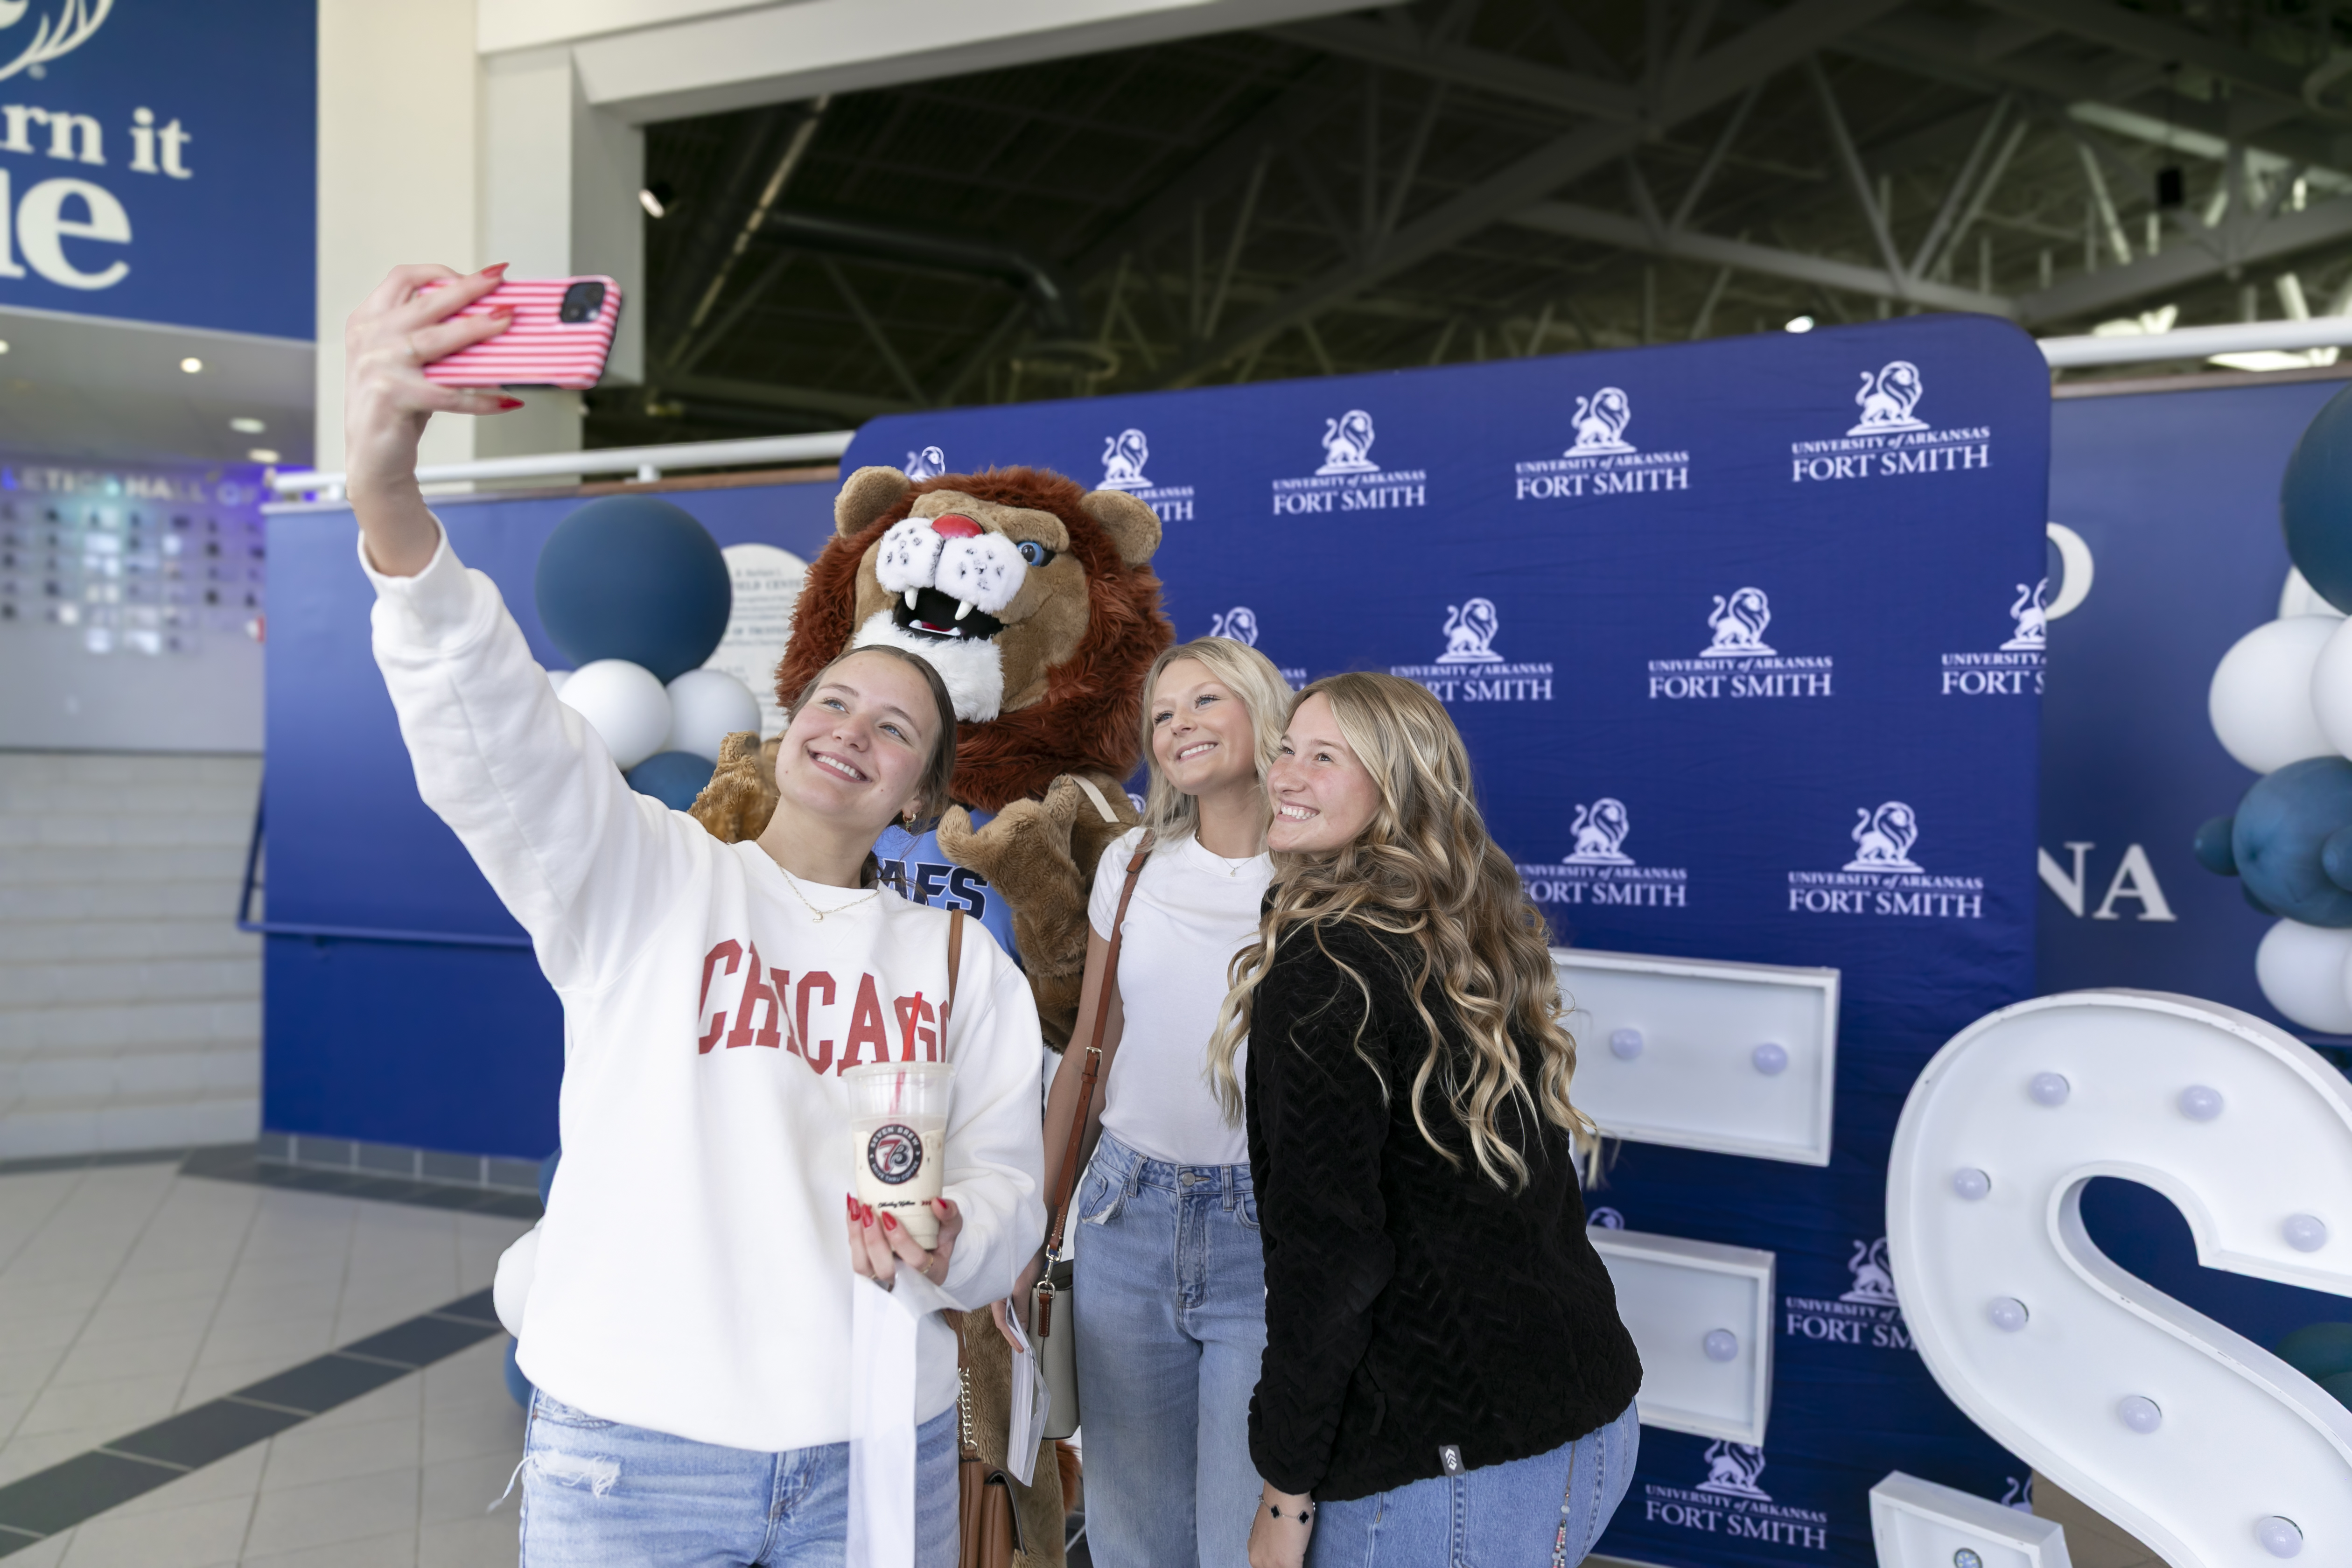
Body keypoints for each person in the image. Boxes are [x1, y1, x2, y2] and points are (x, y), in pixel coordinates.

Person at [343, 263, 1044, 1566]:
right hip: (637, 1451)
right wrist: (390, 492)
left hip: (874, 1446)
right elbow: (492, 726)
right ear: (787, 726)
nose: (852, 733)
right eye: (833, 702)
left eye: (897, 729)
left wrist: (959, 1234)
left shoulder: (957, 961)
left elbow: (1012, 1186)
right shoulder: (646, 875)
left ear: (920, 795)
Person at [1211, 672, 1644, 1568]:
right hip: (1589, 1421)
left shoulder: (1328, 969)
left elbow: (1328, 1262)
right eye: (1287, 746)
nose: (1285, 772)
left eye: (1325, 757)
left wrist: (1284, 1494)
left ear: (1396, 789)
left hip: (1450, 1471)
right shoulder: (1462, 930)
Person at [998, 636, 1293, 1568]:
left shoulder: (1323, 872)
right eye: (1162, 716)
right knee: (1133, 1536)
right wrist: (1033, 1228)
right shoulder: (1131, 862)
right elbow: (1090, 1054)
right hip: (1127, 1213)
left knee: (1241, 1535)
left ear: (1262, 710)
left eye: (1206, 702)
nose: (1179, 727)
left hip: (1270, 1229)